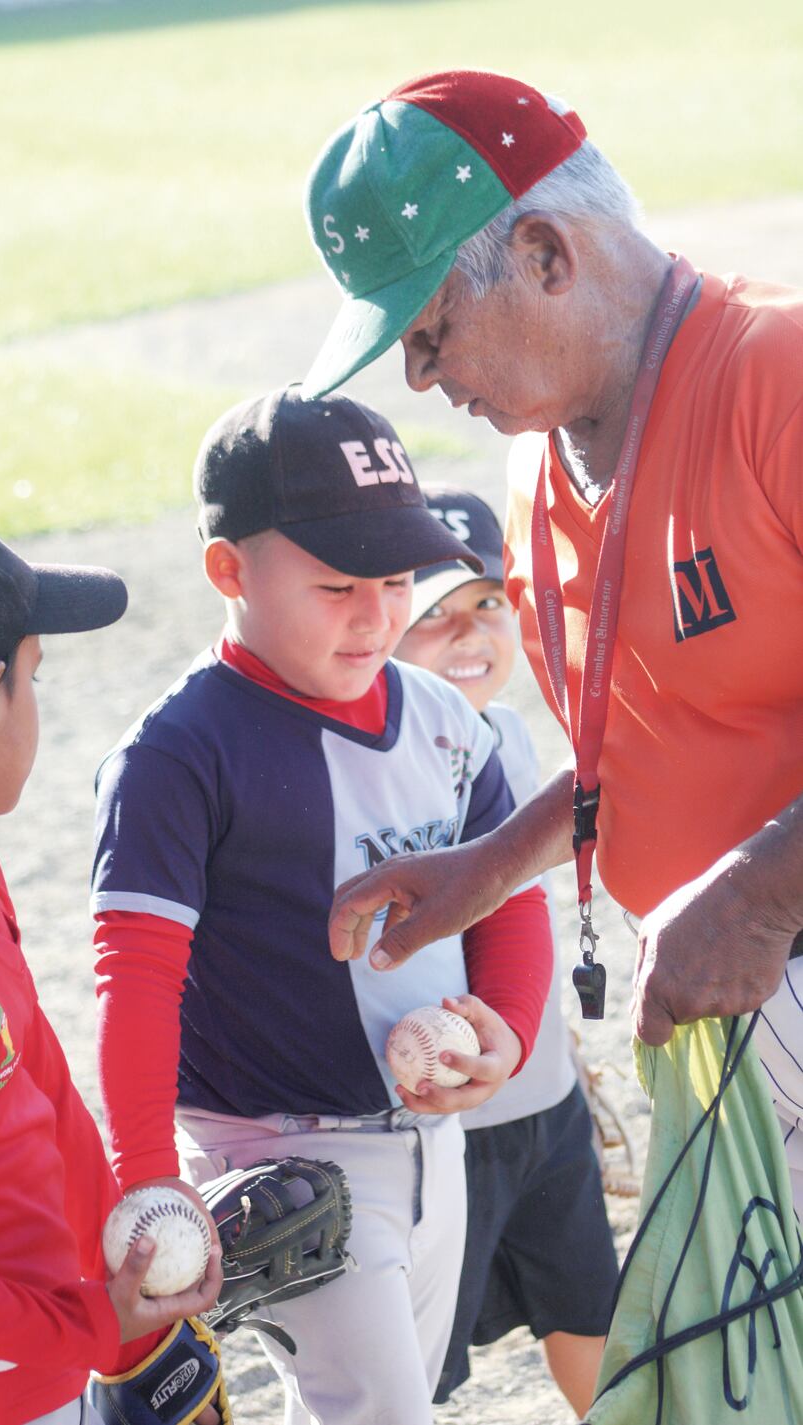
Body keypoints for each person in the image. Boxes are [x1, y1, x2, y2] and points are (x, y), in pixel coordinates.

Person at [301, 68, 803, 1207]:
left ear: (542, 255)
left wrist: (761, 896)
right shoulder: (538, 450)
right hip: (728, 992)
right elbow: (659, 730)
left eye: (428, 332)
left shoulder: (778, 371)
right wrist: (492, 864)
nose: (420, 377)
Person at [90, 383, 555, 1425]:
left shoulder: (438, 715)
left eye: (396, 580)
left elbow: (505, 893)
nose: (378, 613)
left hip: (435, 1140)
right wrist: (142, 1179)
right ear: (227, 570)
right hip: (279, 1156)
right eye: (338, 584)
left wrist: (505, 1033)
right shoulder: (179, 752)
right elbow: (135, 979)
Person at [0, 495, 224, 1425]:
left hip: (42, 1358)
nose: (34, 700)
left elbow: (46, 1105)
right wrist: (89, 1327)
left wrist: (125, 1288)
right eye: (34, 672)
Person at [396, 483, 617, 1417]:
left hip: (546, 1107)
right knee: (416, 1370)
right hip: (442, 1129)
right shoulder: (389, 758)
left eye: (487, 603)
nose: (471, 632)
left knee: (593, 1318)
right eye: (434, 615)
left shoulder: (521, 735)